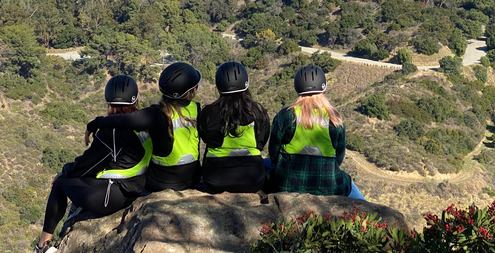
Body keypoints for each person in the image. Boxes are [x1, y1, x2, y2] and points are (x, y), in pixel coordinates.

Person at [32, 75, 150, 253]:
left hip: (114, 197)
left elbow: (86, 165)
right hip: (137, 187)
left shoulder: (111, 132)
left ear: (108, 101)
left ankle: (42, 248)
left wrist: (64, 171)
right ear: (135, 99)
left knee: (61, 184)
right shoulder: (145, 121)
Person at [85, 62, 202, 192]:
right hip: (193, 179)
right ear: (192, 90)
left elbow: (123, 120)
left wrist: (94, 124)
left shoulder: (155, 113)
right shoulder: (196, 109)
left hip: (160, 183)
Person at [268, 65, 365, 199]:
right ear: (324, 88)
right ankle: (371, 214)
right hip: (328, 185)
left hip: (287, 183)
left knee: (265, 165)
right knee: (349, 183)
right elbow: (339, 157)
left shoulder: (286, 115)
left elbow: (273, 152)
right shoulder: (334, 118)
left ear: (297, 88)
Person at [197, 61, 270, 193]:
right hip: (253, 180)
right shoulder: (258, 111)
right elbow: (261, 143)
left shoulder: (208, 112)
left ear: (218, 86)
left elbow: (206, 139)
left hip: (214, 180)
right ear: (246, 83)